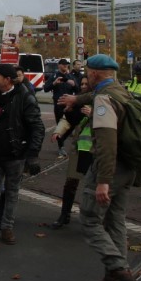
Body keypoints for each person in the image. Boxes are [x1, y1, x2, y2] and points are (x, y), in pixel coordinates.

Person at [59, 54, 141, 281]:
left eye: (88, 72)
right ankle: (113, 276)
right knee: (115, 220)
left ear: (94, 74)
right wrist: (76, 98)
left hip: (110, 168)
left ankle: (120, 273)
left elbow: (106, 143)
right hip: (128, 167)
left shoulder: (104, 101)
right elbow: (92, 96)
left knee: (90, 217)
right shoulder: (119, 91)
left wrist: (103, 180)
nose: (86, 76)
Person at [0, 63, 44, 250]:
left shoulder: (25, 98)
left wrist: (32, 154)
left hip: (15, 156)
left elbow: (37, 126)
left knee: (12, 193)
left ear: (7, 80)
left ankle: (7, 227)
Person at [49, 75, 91, 229]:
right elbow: (68, 118)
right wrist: (58, 131)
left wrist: (92, 115)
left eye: (88, 84)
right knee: (70, 183)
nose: (84, 86)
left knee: (93, 186)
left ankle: (93, 218)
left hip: (96, 150)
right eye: (83, 83)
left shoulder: (99, 100)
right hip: (80, 148)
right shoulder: (77, 100)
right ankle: (64, 215)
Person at [43, 58, 78, 157]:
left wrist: (74, 84)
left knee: (72, 124)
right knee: (59, 126)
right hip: (58, 104)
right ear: (59, 65)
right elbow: (45, 88)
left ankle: (62, 140)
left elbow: (78, 88)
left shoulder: (70, 76)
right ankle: (61, 147)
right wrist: (54, 83)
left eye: (66, 64)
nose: (65, 66)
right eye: (63, 64)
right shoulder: (54, 76)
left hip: (69, 105)